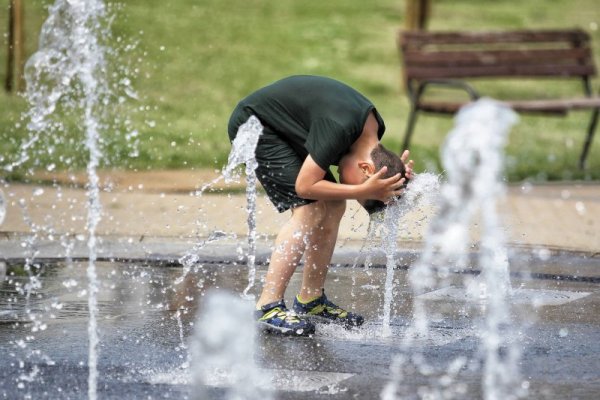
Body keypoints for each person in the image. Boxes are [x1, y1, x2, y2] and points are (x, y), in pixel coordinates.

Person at [228, 75, 414, 336]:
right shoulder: (340, 128)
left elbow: (373, 166)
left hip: (288, 129)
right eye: (361, 192)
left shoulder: (371, 131)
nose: (354, 192)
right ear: (365, 169)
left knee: (335, 202)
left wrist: (397, 174)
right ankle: (267, 306)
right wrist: (362, 189)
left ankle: (310, 300)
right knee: (311, 207)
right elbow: (304, 187)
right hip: (258, 125)